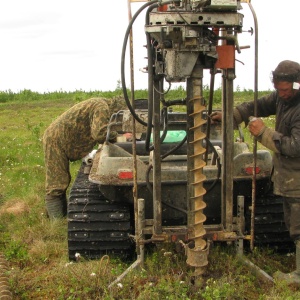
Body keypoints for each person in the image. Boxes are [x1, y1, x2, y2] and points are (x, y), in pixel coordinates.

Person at [211, 60, 300, 284]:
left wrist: (264, 133)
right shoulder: (282, 99)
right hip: (290, 177)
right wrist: (232, 115)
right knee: (294, 224)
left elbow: (294, 146)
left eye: (286, 90)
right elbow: (256, 106)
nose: (282, 94)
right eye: (279, 89)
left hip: (298, 177)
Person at [42, 97, 125, 219]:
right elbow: (100, 134)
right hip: (55, 140)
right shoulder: (101, 107)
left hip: (62, 139)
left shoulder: (101, 105)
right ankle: (56, 224)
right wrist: (121, 137)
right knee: (56, 183)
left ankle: (61, 218)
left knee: (61, 180)